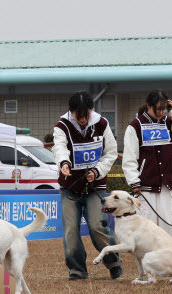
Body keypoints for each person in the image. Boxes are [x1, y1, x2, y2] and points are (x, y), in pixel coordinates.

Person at [52, 91, 122, 280]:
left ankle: (113, 261)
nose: (83, 119)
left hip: (95, 187)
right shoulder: (62, 126)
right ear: (71, 112)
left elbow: (111, 152)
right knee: (70, 231)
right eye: (78, 115)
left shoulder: (102, 124)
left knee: (97, 226)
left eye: (86, 115)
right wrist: (64, 163)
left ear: (91, 110)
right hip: (70, 187)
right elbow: (59, 147)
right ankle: (77, 269)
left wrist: (97, 171)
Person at [122, 89, 172, 245]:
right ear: (148, 106)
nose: (161, 112)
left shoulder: (169, 123)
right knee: (147, 227)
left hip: (168, 183)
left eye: (163, 109)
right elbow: (129, 158)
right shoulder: (135, 126)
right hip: (146, 186)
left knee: (170, 225)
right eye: (158, 109)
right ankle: (149, 260)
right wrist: (134, 182)